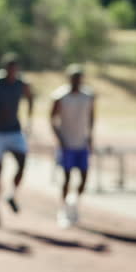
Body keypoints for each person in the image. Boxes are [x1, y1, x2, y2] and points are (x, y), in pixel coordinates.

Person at [0, 52, 33, 226]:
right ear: (5, 69)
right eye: (10, 69)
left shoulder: (21, 84)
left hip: (15, 130)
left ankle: (12, 195)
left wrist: (29, 120)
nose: (12, 72)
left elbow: (30, 98)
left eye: (15, 69)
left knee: (23, 162)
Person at [49, 64, 96, 227]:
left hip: (81, 143)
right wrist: (60, 139)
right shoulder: (60, 96)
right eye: (74, 78)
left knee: (84, 176)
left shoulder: (88, 96)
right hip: (67, 143)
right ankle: (63, 209)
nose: (77, 81)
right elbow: (52, 119)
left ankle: (73, 202)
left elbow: (91, 117)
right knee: (67, 177)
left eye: (79, 78)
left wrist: (90, 137)